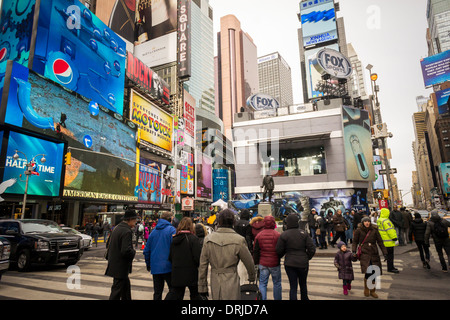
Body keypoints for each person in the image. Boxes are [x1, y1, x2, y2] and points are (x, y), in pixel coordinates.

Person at [198, 209, 256, 300]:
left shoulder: (208, 239)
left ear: (218, 221)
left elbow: (203, 265)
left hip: (215, 278)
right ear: (233, 221)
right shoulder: (239, 240)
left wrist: (202, 287)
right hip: (232, 277)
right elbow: (249, 262)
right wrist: (252, 277)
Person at [276, 214, 316, 300]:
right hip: (303, 263)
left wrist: (284, 255)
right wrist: (306, 257)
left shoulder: (284, 234)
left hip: (290, 263)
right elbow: (312, 248)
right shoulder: (303, 233)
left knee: (293, 286)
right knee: (303, 284)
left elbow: (279, 250)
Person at [166, 217, 202, 300]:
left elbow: (170, 256)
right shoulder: (193, 239)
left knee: (177, 294)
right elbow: (197, 257)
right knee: (195, 294)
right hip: (191, 272)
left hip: (177, 272)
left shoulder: (174, 239)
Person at [105, 210, 138, 300]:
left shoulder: (117, 228)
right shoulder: (126, 231)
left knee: (125, 288)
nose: (135, 223)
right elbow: (126, 250)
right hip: (120, 266)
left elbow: (107, 244)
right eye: (135, 221)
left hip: (114, 263)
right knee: (116, 291)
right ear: (130, 219)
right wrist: (133, 252)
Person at [143, 211, 177, 300]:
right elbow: (175, 249)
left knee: (157, 292)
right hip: (168, 266)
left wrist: (148, 264)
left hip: (155, 267)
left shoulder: (153, 232)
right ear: (170, 219)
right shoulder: (172, 230)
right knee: (173, 290)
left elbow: (146, 250)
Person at [352, 216, 388, 298]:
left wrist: (385, 253)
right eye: (365, 221)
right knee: (368, 271)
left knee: (374, 272)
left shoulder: (374, 230)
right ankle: (366, 288)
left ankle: (372, 291)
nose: (367, 223)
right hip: (364, 253)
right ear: (362, 223)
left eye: (368, 221)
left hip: (374, 253)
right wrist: (353, 251)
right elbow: (355, 242)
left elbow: (380, 242)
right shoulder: (358, 230)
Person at [253, 215, 282, 300]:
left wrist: (256, 262)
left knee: (262, 283)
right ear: (273, 223)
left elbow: (256, 250)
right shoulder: (278, 235)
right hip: (275, 263)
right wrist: (278, 258)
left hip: (263, 263)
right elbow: (280, 249)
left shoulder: (259, 235)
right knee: (277, 283)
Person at [377, 208, 399, 273]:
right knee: (390, 256)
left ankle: (390, 267)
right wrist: (394, 238)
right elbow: (390, 230)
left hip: (383, 240)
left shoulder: (379, 220)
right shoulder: (386, 221)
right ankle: (390, 268)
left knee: (388, 255)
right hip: (389, 241)